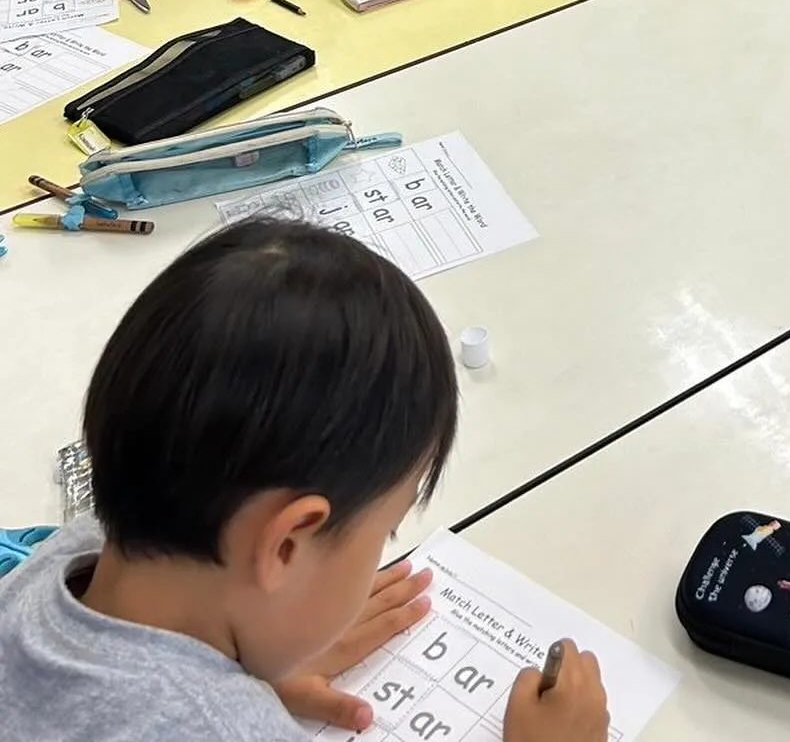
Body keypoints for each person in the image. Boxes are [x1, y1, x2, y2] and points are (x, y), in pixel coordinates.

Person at [0, 218, 611, 742]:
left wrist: (251, 669)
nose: (381, 555)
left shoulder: (64, 562)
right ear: (287, 544)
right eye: (385, 534)